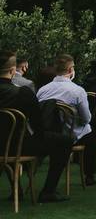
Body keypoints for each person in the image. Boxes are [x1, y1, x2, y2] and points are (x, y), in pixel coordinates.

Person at [0, 51, 72, 202]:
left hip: (5, 145)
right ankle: (48, 191)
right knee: (64, 141)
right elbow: (37, 124)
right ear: (13, 71)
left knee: (9, 138)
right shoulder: (23, 93)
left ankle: (16, 190)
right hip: (18, 146)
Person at [36, 54, 96, 187]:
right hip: (71, 133)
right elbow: (86, 118)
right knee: (90, 132)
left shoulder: (42, 90)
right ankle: (89, 175)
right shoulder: (77, 91)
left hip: (49, 132)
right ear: (70, 70)